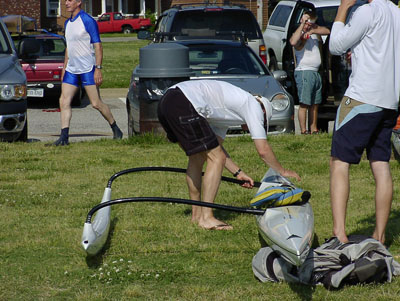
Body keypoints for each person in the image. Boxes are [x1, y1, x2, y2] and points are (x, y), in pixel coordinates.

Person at [157, 80, 301, 230]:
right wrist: (283, 172)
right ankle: (207, 218)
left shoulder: (226, 112)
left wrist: (238, 173)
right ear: (263, 112)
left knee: (198, 156)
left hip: (167, 101)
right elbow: (263, 150)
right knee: (215, 158)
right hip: (184, 102)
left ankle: (197, 216)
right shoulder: (253, 105)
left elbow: (215, 147)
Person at [329, 0, 400, 244]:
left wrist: (342, 10)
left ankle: (339, 233)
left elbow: (335, 46)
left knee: (339, 162)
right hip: (389, 100)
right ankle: (379, 236)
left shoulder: (366, 13)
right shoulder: (396, 12)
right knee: (381, 165)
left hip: (361, 98)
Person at [53, 0, 122, 146]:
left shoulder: (87, 20)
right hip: (72, 70)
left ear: (79, 2)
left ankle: (115, 128)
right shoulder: (67, 23)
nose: (66, 3)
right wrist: (64, 68)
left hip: (87, 69)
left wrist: (98, 69)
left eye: (70, 0)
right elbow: (68, 48)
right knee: (63, 101)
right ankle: (64, 137)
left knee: (96, 103)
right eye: (66, 0)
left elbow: (98, 46)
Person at [289, 10, 330, 135]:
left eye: (310, 23)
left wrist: (313, 30)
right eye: (306, 22)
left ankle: (314, 129)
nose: (308, 25)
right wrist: (302, 26)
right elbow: (293, 42)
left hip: (315, 72)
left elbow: (327, 31)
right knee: (304, 103)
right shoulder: (299, 33)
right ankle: (303, 130)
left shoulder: (314, 32)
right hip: (304, 72)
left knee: (315, 103)